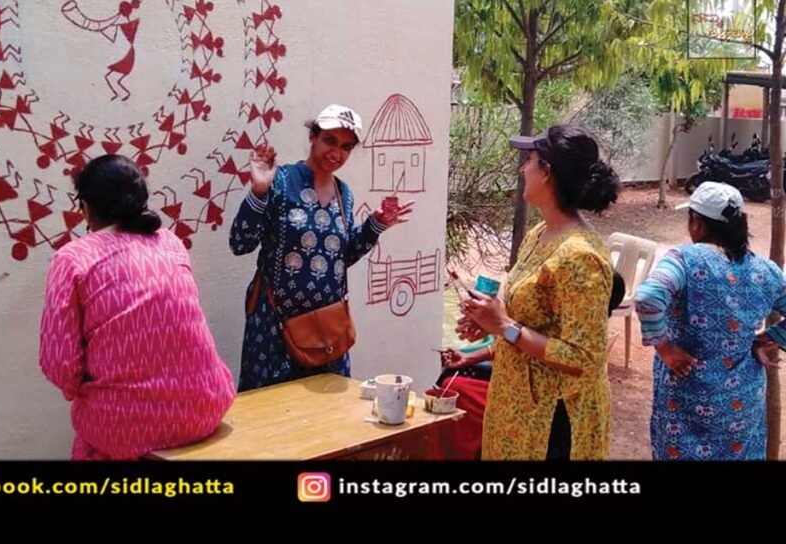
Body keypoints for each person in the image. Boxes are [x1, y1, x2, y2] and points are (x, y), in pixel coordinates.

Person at [39, 154, 236, 460]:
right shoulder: (170, 242)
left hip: (124, 427)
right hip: (205, 408)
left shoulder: (73, 258)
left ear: (86, 208)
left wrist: (91, 389)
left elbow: (59, 365)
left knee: (90, 440)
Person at [456, 124, 620, 460]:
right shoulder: (539, 234)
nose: (522, 169)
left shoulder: (580, 256)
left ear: (547, 172)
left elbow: (584, 357)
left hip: (552, 419)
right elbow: (531, 320)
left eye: (529, 160)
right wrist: (489, 320)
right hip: (517, 408)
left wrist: (505, 327)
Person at [229, 104, 413, 391]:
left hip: (327, 332)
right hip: (275, 330)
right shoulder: (281, 181)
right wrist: (259, 192)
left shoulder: (344, 194)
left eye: (346, 147)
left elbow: (340, 258)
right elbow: (239, 243)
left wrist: (375, 225)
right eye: (330, 141)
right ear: (313, 136)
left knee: (328, 422)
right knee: (271, 418)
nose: (336, 153)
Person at [635, 181, 785, 460]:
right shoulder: (766, 271)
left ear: (697, 224)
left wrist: (664, 347)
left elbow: (648, 297)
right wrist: (765, 340)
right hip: (742, 405)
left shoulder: (684, 259)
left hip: (684, 398)